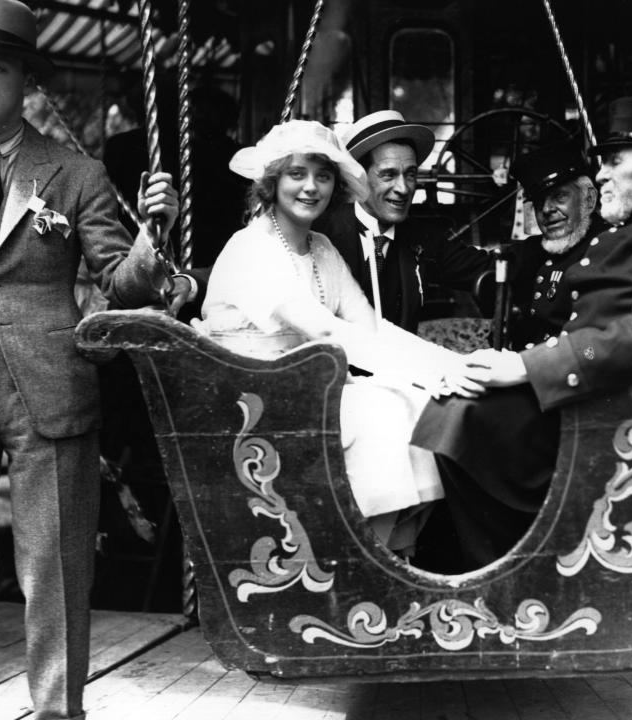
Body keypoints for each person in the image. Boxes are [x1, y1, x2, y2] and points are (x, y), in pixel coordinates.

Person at [412, 97, 632, 571]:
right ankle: (500, 564)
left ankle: (515, 566)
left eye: (614, 162)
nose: (602, 175)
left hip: (613, 405)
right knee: (450, 411)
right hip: (587, 392)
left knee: (462, 420)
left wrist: (525, 367)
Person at [0, 2, 185, 717]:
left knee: (56, 563)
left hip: (48, 382)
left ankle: (56, 712)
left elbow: (123, 285)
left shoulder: (74, 173)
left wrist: (151, 236)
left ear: (27, 82)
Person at [200, 120, 476, 553]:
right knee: (382, 409)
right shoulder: (252, 248)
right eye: (297, 174)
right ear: (271, 183)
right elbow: (326, 329)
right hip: (253, 405)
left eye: (323, 176)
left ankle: (387, 554)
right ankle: (360, 559)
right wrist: (439, 371)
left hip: (307, 393)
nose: (311, 187)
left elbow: (370, 329)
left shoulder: (322, 249)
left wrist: (450, 368)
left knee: (415, 401)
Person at [314, 110, 491, 333]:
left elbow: (486, 267)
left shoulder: (425, 238)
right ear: (357, 178)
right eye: (388, 175)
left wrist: (544, 246)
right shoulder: (321, 233)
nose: (404, 188)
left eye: (410, 174)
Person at [505, 142, 607, 350]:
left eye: (559, 196)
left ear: (589, 199)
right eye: (539, 201)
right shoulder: (534, 250)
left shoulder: (609, 248)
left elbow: (594, 351)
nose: (546, 209)